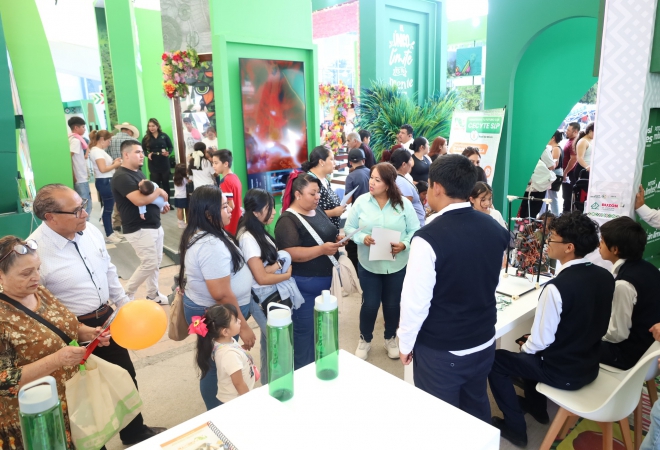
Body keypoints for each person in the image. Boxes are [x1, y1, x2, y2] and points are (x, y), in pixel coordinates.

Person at [27, 185, 166, 446]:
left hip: (107, 318)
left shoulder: (89, 230)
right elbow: (40, 306)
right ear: (50, 217)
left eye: (83, 205)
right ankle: (94, 443)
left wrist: (123, 304)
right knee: (85, 391)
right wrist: (74, 331)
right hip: (73, 331)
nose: (84, 213)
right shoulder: (36, 252)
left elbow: (108, 269)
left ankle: (134, 431)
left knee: (125, 375)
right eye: (76, 210)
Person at [398, 154, 510, 424]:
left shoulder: (428, 238)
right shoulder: (495, 228)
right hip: (484, 340)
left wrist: (405, 343)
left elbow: (415, 302)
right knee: (476, 410)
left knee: (440, 422)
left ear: (436, 187)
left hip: (442, 349)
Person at [488, 212, 615, 447]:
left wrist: (526, 346)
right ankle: (537, 408)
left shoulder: (556, 288)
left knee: (496, 361)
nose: (547, 242)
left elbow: (539, 342)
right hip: (589, 365)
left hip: (563, 372)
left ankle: (515, 429)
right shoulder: (605, 276)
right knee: (528, 348)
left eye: (552, 238)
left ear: (569, 247)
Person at [0, 236, 112, 450]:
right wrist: (57, 359)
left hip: (74, 402)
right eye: (26, 273)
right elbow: (4, 380)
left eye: (37, 269)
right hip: (38, 416)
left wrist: (90, 333)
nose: (36, 277)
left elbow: (66, 325)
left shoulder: (39, 292)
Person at [178, 186, 255, 409]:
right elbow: (220, 294)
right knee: (217, 365)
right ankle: (217, 412)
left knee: (215, 360)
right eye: (223, 206)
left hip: (216, 312)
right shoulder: (210, 244)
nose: (230, 208)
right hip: (216, 313)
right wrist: (243, 326)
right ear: (209, 213)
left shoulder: (208, 233)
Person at [345, 163, 420, 360]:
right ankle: (365, 339)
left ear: (388, 184)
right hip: (369, 264)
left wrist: (404, 244)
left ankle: (390, 338)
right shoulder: (361, 202)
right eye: (371, 177)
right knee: (370, 304)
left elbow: (414, 230)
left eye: (377, 180)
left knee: (393, 305)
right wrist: (363, 238)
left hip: (397, 265)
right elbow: (349, 228)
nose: (371, 182)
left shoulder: (403, 204)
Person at [274, 174, 343, 369]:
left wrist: (336, 240)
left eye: (318, 193)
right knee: (304, 336)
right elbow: (290, 254)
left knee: (324, 333)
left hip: (327, 285)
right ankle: (304, 373)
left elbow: (324, 233)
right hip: (304, 288)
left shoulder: (316, 210)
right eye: (312, 193)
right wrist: (321, 250)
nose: (317, 197)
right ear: (298, 194)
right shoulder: (288, 220)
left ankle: (322, 369)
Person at [237, 188, 293, 382]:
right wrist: (285, 274)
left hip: (268, 294)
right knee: (278, 341)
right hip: (261, 297)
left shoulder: (257, 231)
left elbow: (262, 270)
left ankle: (269, 383)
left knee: (270, 341)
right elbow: (260, 278)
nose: (274, 211)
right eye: (269, 208)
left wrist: (275, 268)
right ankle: (278, 384)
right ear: (256, 212)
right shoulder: (248, 238)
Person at [111, 140, 170, 303]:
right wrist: (159, 191)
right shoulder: (122, 176)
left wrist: (160, 207)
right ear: (126, 154)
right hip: (139, 228)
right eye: (137, 152)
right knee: (149, 263)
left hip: (153, 225)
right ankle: (126, 294)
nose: (142, 155)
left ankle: (153, 294)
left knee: (155, 262)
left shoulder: (139, 174)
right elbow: (139, 200)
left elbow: (148, 199)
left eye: (142, 152)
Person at [598, 217, 660, 370]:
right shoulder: (648, 268)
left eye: (602, 241)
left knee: (573, 342)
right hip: (650, 346)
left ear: (615, 249)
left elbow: (616, 335)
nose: (599, 245)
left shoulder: (624, 284)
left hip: (631, 355)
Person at [191, 304, 257, 405]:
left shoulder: (224, 342)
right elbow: (239, 384)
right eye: (236, 320)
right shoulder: (229, 354)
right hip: (237, 400)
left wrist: (241, 352)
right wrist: (250, 402)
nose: (240, 321)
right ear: (225, 331)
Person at [88, 130, 122, 244]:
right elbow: (102, 169)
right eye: (109, 140)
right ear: (102, 139)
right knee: (108, 209)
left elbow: (104, 167)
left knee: (109, 208)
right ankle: (109, 233)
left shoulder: (99, 151)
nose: (109, 143)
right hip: (105, 181)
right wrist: (116, 164)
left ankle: (111, 231)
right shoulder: (97, 152)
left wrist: (113, 163)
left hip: (107, 180)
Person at [302, 146, 345, 231]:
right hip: (318, 233)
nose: (335, 163)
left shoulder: (325, 180)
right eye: (331, 159)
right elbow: (306, 213)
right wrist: (333, 212)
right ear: (321, 162)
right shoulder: (309, 181)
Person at [108, 122, 140, 232]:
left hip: (115, 170)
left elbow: (108, 156)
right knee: (133, 195)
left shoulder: (111, 140)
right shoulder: (133, 142)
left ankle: (117, 222)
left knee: (118, 198)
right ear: (129, 131)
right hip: (130, 170)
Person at [344, 148, 371, 270]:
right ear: (364, 160)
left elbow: (348, 200)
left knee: (355, 243)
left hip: (359, 214)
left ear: (350, 162)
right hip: (373, 211)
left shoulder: (351, 177)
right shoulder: (371, 173)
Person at [391, 149, 426, 226]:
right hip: (414, 226)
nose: (412, 164)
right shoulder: (401, 182)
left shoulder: (398, 178)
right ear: (404, 164)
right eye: (410, 160)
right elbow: (405, 207)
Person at [67, 116, 92, 220]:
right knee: (85, 206)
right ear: (76, 128)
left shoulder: (70, 138)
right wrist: (73, 175)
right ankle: (85, 226)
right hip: (80, 177)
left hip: (79, 176)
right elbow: (69, 158)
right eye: (83, 127)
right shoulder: (75, 141)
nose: (84, 129)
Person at [212, 150, 242, 235]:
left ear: (225, 164)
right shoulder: (235, 177)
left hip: (230, 224)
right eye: (213, 163)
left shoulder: (225, 181)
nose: (213, 166)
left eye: (216, 163)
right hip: (238, 221)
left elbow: (230, 205)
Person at [142, 118, 173, 196]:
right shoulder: (146, 137)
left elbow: (170, 147)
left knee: (165, 183)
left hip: (164, 162)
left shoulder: (164, 136)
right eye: (149, 126)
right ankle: (156, 200)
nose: (151, 128)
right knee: (155, 183)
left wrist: (168, 152)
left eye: (153, 126)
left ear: (157, 126)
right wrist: (147, 154)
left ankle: (167, 200)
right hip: (153, 162)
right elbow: (143, 150)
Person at [562, 122, 580, 213]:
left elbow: (573, 160)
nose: (566, 131)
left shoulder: (574, 142)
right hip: (568, 172)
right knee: (566, 196)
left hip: (571, 173)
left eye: (568, 130)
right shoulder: (570, 140)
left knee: (568, 196)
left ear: (575, 131)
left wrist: (565, 172)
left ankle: (567, 214)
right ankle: (566, 212)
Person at [545, 131, 564, 216]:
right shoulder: (555, 148)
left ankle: (555, 215)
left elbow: (554, 164)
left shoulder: (556, 148)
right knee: (551, 196)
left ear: (553, 138)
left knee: (552, 196)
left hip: (555, 174)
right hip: (555, 173)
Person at [173, 163, 189, 229]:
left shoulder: (175, 177)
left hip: (177, 195)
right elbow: (189, 181)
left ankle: (179, 222)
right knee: (181, 210)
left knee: (179, 209)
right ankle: (181, 223)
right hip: (182, 196)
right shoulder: (184, 179)